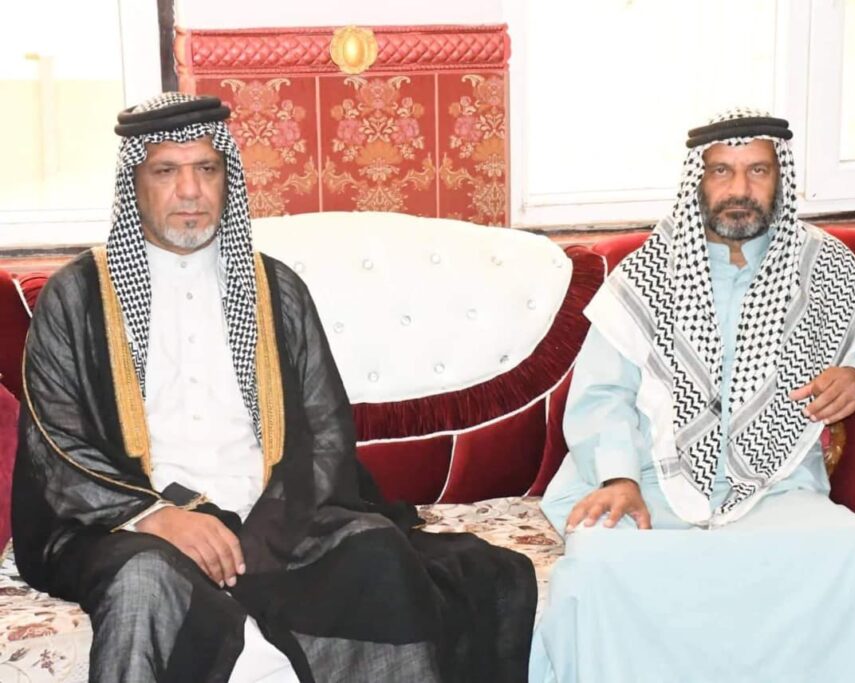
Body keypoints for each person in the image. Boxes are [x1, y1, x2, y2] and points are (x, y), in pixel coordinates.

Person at [13, 92, 536, 683]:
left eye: (206, 169)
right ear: (135, 183)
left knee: (378, 551)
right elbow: (56, 445)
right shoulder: (77, 298)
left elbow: (326, 431)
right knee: (143, 586)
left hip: (269, 510)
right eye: (166, 172)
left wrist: (264, 536)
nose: (190, 191)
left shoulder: (276, 290)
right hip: (132, 522)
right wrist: (154, 517)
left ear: (227, 178)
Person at [529, 108, 855, 683]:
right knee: (600, 563)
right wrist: (618, 477)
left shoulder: (819, 265)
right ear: (699, 179)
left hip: (776, 486)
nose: (740, 189)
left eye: (758, 171)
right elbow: (603, 395)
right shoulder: (648, 274)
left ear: (780, 178)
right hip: (649, 482)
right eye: (722, 171)